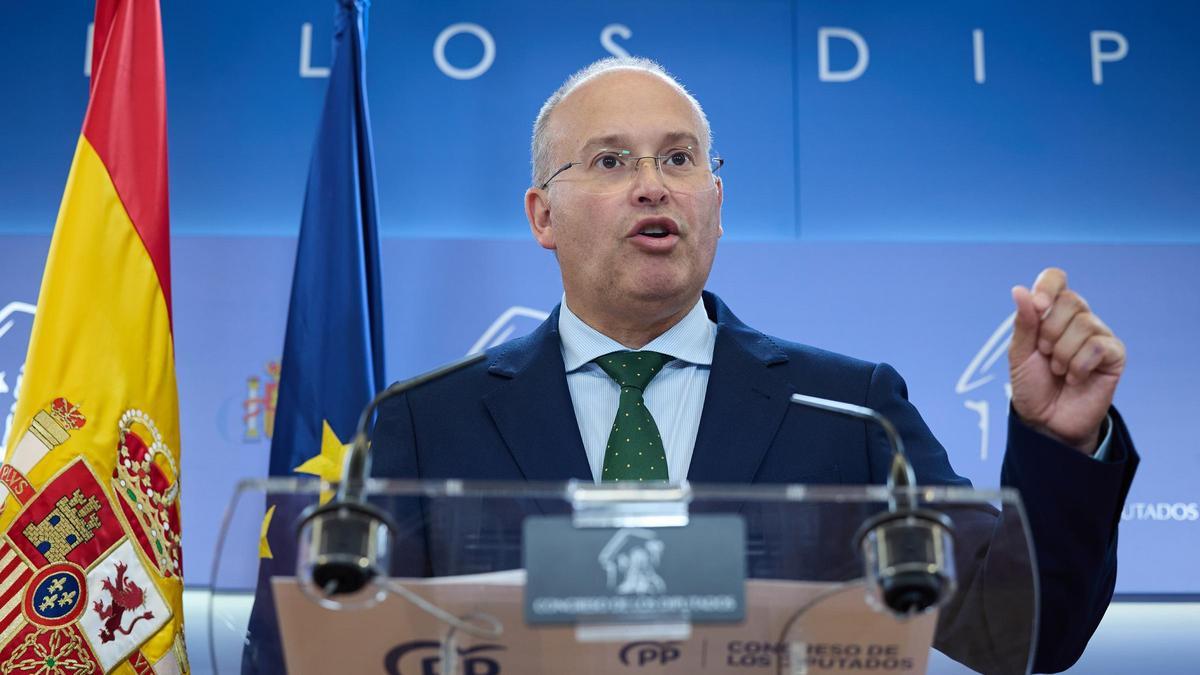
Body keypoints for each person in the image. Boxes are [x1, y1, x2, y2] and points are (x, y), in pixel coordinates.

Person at [371, 57, 1137, 673]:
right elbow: (343, 643)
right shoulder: (427, 421)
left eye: (679, 158)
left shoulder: (848, 411)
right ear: (543, 215)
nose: (652, 184)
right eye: (611, 160)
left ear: (715, 201)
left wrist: (1061, 444)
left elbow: (1016, 633)